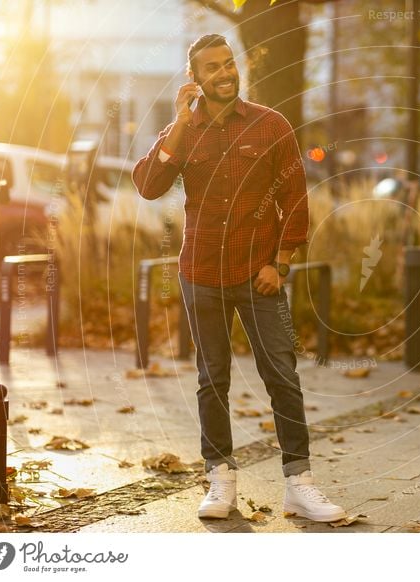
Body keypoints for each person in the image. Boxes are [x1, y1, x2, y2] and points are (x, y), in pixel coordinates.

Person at [132, 33, 345, 522]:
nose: (224, 73)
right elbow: (147, 186)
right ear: (195, 78)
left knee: (283, 375)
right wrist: (180, 123)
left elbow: (295, 198)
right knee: (212, 379)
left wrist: (281, 262)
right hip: (200, 273)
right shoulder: (182, 132)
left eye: (229, 64)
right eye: (212, 68)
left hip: (258, 275)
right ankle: (220, 479)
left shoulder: (272, 126)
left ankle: (299, 483)